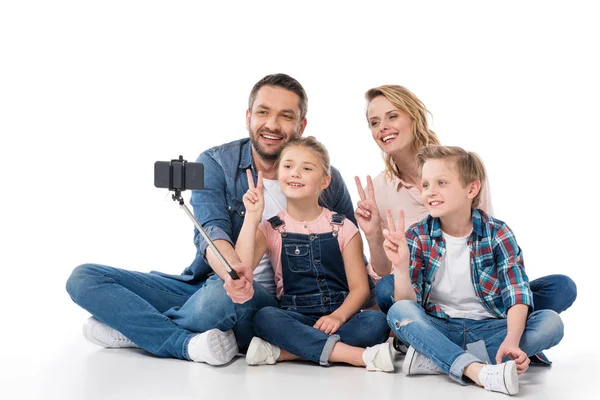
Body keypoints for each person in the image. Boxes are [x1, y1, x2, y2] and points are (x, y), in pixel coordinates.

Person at [65, 73, 359, 366]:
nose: (272, 124)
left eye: (285, 116)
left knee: (217, 300)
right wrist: (235, 275)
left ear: (301, 125)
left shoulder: (324, 178)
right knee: (85, 278)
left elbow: (351, 249)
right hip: (215, 281)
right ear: (248, 117)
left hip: (279, 307)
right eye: (263, 112)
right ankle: (179, 339)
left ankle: (136, 328)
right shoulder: (217, 162)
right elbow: (212, 231)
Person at [354, 85, 576, 359]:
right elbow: (387, 270)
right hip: (428, 300)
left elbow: (490, 243)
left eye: (392, 116)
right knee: (388, 288)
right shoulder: (383, 193)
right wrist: (375, 234)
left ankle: (434, 351)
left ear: (413, 116)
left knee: (559, 292)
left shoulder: (457, 164)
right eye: (374, 122)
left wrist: (509, 310)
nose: (383, 127)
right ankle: (477, 354)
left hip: (483, 299)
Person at [383, 145, 563, 395]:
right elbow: (408, 305)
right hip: (440, 325)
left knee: (552, 323)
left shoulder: (497, 233)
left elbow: (516, 292)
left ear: (471, 189)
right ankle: (478, 370)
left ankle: (436, 357)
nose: (430, 192)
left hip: (489, 327)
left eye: (441, 183)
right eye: (425, 185)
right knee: (398, 310)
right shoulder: (417, 235)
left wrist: (511, 340)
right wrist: (401, 267)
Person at [235, 137, 393, 371]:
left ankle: (285, 352)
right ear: (278, 175)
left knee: (375, 323)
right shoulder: (270, 228)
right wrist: (252, 216)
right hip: (295, 318)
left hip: (341, 318)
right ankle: (356, 356)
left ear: (325, 181)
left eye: (307, 168)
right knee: (265, 318)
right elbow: (242, 267)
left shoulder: (343, 227)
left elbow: (360, 289)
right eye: (288, 166)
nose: (295, 173)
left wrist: (338, 317)